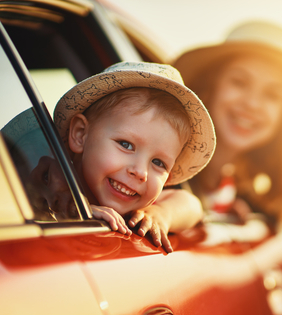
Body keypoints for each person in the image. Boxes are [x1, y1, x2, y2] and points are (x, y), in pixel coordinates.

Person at [173, 20, 282, 237]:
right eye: (239, 82)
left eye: (272, 95)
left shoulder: (244, 198)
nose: (253, 104)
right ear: (210, 87)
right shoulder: (156, 169)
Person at [53, 61, 216, 252]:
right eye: (126, 145)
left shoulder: (139, 212)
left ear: (167, 179)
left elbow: (192, 206)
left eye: (158, 163)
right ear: (81, 135)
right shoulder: (51, 176)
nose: (140, 172)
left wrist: (161, 214)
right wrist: (72, 207)